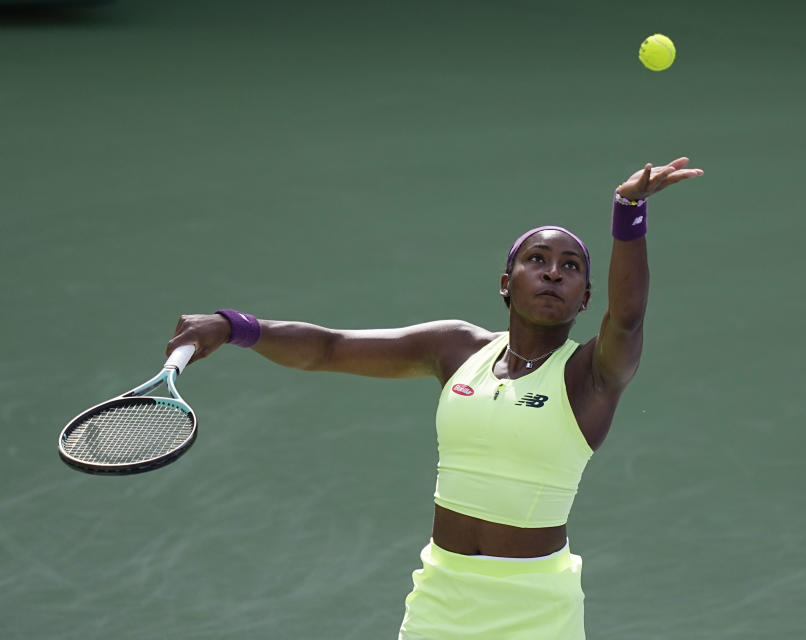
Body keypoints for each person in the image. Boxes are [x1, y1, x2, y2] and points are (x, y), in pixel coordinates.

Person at [167, 157, 703, 639]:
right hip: (440, 598)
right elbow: (329, 348)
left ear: (586, 298)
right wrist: (234, 326)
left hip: (536, 610)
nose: (552, 273)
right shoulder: (453, 348)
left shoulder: (591, 374)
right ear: (505, 282)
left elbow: (628, 316)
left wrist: (628, 211)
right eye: (537, 259)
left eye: (570, 268)